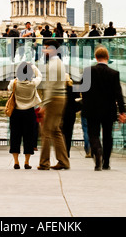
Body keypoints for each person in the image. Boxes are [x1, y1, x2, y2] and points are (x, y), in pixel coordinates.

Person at [81, 46, 126, 171]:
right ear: (108, 57)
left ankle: (97, 153)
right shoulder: (114, 74)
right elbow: (119, 94)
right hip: (108, 109)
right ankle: (106, 162)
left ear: (96, 57)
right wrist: (122, 112)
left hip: (92, 109)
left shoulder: (87, 71)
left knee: (93, 134)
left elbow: (82, 90)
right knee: (108, 136)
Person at [38, 39, 70, 170]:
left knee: (45, 131)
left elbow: (49, 86)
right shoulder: (60, 63)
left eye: (46, 48)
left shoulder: (52, 64)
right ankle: (63, 161)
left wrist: (44, 105)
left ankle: (44, 163)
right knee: (56, 130)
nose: (44, 51)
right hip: (61, 97)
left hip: (53, 99)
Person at [8, 62, 42, 169]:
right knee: (29, 137)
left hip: (16, 112)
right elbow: (40, 76)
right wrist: (33, 67)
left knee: (15, 136)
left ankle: (16, 162)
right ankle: (27, 162)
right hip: (29, 113)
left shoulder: (14, 83)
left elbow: (9, 89)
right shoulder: (33, 83)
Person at [61, 74, 81, 158]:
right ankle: (67, 152)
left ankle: (61, 152)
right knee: (69, 133)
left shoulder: (59, 90)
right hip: (71, 114)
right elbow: (79, 102)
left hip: (61, 114)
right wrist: (75, 110)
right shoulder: (74, 89)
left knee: (61, 134)